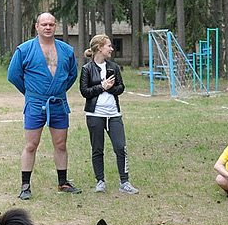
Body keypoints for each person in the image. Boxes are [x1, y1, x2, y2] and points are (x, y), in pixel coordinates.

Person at [8, 12, 81, 199]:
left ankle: (63, 183)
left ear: (55, 26)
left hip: (58, 102)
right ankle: (25, 185)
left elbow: (72, 75)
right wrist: (31, 93)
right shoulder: (24, 50)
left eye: (51, 24)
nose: (48, 27)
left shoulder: (66, 50)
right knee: (31, 144)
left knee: (61, 144)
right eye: (44, 24)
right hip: (35, 103)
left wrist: (59, 89)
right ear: (37, 27)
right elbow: (13, 75)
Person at [79, 34, 138, 195]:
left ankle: (124, 182)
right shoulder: (87, 69)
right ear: (100, 48)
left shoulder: (113, 67)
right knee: (97, 149)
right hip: (95, 115)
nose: (112, 49)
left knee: (121, 147)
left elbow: (121, 88)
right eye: (109, 46)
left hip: (114, 115)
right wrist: (101, 87)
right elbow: (85, 92)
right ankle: (100, 181)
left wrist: (110, 88)